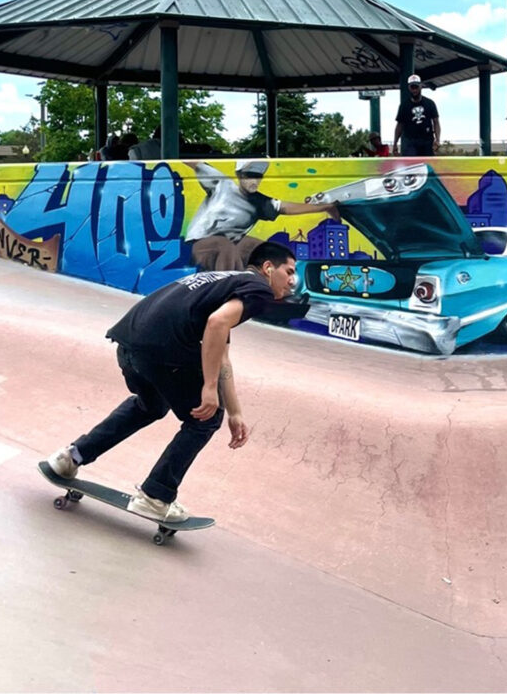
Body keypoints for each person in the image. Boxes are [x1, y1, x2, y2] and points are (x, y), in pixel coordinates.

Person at [43, 243, 296, 522]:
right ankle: (155, 496)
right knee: (205, 419)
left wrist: (235, 412)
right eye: (289, 271)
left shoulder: (223, 282)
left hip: (129, 343)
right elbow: (216, 324)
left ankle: (70, 458)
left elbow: (220, 352)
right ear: (268, 268)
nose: (293, 281)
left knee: (150, 405)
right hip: (161, 350)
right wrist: (209, 389)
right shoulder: (258, 288)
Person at [184, 160, 335, 271]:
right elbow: (196, 164)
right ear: (239, 175)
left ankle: (268, 289)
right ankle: (230, 295)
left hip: (232, 244)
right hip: (199, 245)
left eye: (258, 176)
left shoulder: (260, 202)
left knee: (264, 249)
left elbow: (286, 208)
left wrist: (324, 207)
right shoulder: (222, 184)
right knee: (226, 247)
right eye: (249, 175)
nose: (254, 180)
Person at [393, 75, 440, 156]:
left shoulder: (430, 103)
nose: (414, 90)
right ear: (409, 88)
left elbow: (436, 122)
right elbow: (399, 125)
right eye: (412, 87)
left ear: (421, 86)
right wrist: (395, 143)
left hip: (427, 141)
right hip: (410, 141)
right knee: (410, 165)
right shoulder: (404, 105)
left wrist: (437, 139)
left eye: (416, 87)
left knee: (427, 165)